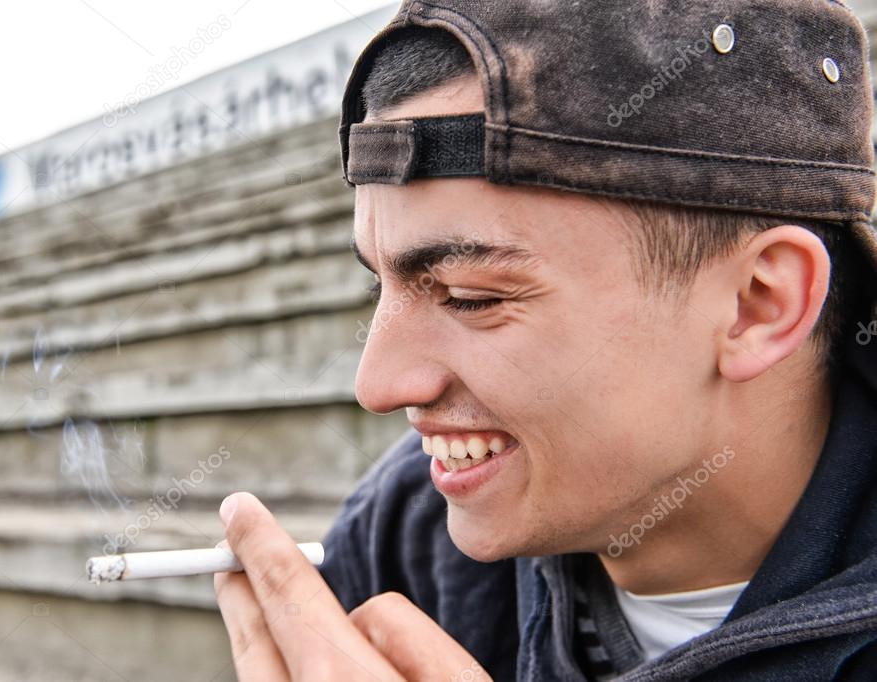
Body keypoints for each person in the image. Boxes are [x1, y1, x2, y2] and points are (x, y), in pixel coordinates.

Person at [213, 1, 877, 679]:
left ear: (757, 305)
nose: (377, 385)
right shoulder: (404, 542)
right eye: (378, 287)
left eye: (471, 297)